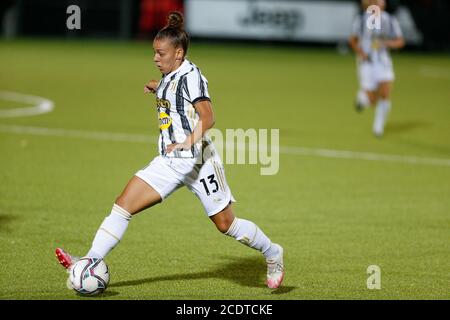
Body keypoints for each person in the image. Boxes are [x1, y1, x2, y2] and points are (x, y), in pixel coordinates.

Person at [55, 11, 284, 290]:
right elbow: (171, 93)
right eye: (154, 52)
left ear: (178, 53)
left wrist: (188, 141)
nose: (155, 58)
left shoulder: (192, 76)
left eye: (160, 53)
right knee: (122, 205)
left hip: (199, 162)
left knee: (226, 225)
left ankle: (273, 253)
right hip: (168, 161)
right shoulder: (169, 74)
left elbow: (208, 117)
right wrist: (156, 87)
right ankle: (89, 261)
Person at [349, 0, 405, 137]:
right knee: (372, 100)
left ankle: (378, 127)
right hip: (367, 64)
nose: (379, 3)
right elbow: (352, 40)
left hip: (383, 62)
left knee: (385, 94)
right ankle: (363, 98)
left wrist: (386, 43)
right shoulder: (361, 20)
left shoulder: (390, 20)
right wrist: (362, 54)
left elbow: (400, 41)